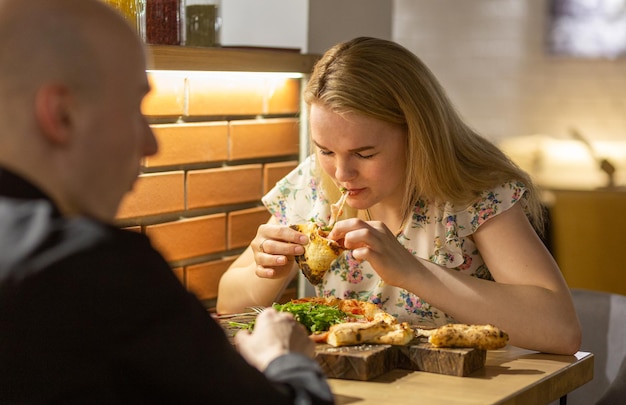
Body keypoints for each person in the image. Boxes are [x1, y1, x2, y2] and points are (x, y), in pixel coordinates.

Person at [0, 0, 336, 405]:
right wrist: (289, 362)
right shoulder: (90, 267)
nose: (151, 144)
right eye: (134, 108)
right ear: (62, 114)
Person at [217, 36, 582, 356]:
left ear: (417, 135)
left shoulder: (473, 194)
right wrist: (269, 271)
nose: (342, 173)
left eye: (365, 153)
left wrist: (412, 272)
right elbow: (228, 305)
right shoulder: (311, 185)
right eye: (325, 150)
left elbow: (561, 330)